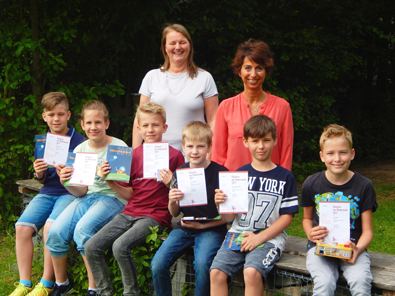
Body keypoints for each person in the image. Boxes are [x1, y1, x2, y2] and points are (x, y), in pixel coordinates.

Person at [85, 102, 184, 296]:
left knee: (120, 246)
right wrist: (111, 182)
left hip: (155, 216)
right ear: (138, 128)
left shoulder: (174, 156)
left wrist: (171, 183)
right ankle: (105, 292)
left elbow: (184, 193)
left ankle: (131, 293)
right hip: (130, 211)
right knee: (91, 246)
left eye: (155, 125)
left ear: (164, 127)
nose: (150, 130)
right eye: (145, 125)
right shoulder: (132, 155)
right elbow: (130, 193)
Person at [46, 100, 128, 296]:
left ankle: (95, 288)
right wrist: (66, 181)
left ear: (107, 124)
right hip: (86, 198)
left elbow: (126, 189)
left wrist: (110, 180)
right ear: (82, 125)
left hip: (113, 198)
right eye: (89, 123)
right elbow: (81, 192)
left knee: (83, 230)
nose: (93, 127)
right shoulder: (80, 150)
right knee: (55, 231)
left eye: (98, 122)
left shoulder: (119, 147)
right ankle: (62, 284)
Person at [210, 115, 299, 296]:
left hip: (269, 238)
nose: (261, 146)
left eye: (266, 140)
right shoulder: (239, 174)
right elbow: (228, 218)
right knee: (216, 273)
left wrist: (260, 238)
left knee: (251, 272)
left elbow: (287, 217)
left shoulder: (285, 177)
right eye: (255, 141)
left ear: (275, 140)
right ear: (245, 142)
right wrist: (220, 205)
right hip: (238, 234)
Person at [9, 92, 85, 296]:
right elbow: (42, 180)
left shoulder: (80, 141)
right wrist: (39, 173)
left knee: (50, 228)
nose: (56, 119)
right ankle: (24, 283)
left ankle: (46, 283)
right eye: (51, 115)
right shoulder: (43, 141)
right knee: (21, 227)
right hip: (48, 191)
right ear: (45, 117)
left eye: (60, 114)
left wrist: (67, 175)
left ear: (69, 115)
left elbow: (84, 181)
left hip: (70, 193)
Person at [150, 121, 228, 296]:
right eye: (190, 146)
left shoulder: (221, 173)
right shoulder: (180, 172)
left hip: (212, 228)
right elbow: (175, 213)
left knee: (202, 264)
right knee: (158, 263)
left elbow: (228, 217)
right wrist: (172, 200)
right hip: (185, 226)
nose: (195, 151)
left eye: (200, 146)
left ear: (209, 147)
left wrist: (213, 213)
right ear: (183, 147)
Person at [300, 124, 378, 296]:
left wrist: (357, 249)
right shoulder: (311, 184)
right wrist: (310, 233)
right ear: (322, 156)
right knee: (324, 283)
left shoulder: (364, 186)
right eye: (330, 153)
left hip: (352, 248)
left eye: (343, 152)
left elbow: (368, 231)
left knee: (361, 282)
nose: (337, 158)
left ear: (352, 153)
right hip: (320, 247)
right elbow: (306, 218)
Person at [132, 23, 219, 152]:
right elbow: (139, 119)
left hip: (193, 154)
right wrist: (136, 153)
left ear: (189, 46)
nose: (177, 47)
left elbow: (213, 120)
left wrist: (210, 153)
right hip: (156, 154)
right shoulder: (152, 77)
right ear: (165, 47)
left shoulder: (205, 78)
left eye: (182, 42)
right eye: (172, 43)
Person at [212, 38, 293, 171]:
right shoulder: (226, 107)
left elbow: (286, 152)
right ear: (239, 71)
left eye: (259, 68)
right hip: (234, 184)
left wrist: (283, 182)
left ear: (266, 71)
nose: (253, 74)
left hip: (269, 185)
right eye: (248, 68)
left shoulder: (282, 107)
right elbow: (218, 155)